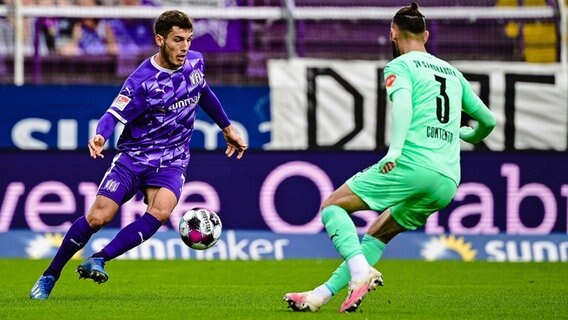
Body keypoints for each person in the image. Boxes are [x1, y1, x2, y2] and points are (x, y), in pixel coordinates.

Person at [283, 2, 496, 313]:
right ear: (426, 34)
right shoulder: (452, 73)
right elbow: (488, 121)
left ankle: (360, 272)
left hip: (413, 164)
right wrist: (467, 135)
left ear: (393, 33)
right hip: (448, 179)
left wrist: (395, 150)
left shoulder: (401, 66)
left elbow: (404, 106)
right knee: (378, 233)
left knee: (332, 207)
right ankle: (320, 296)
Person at [30, 9, 248, 300]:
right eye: (177, 40)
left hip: (172, 160)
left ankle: (99, 258)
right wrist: (100, 135)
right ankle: (49, 276)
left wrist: (227, 126)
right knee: (98, 217)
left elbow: (203, 92)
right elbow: (113, 113)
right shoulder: (141, 82)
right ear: (160, 39)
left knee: (161, 211)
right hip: (135, 158)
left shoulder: (196, 62)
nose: (185, 47)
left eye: (189, 40)